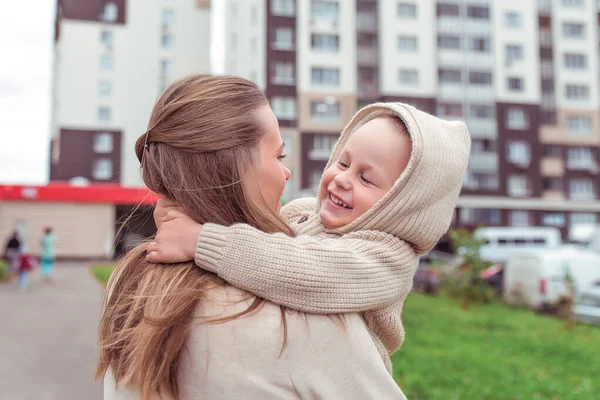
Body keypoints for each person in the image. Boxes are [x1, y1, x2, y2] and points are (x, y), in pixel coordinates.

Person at [97, 74, 406, 400]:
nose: (286, 173)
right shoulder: (306, 322)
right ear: (237, 171)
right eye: (279, 156)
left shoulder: (128, 284)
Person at [147, 101, 472, 371]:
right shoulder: (302, 211)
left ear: (403, 204)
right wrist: (184, 217)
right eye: (343, 162)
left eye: (366, 179)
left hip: (343, 377)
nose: (343, 179)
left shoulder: (387, 257)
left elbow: (303, 271)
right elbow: (250, 232)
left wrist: (202, 240)